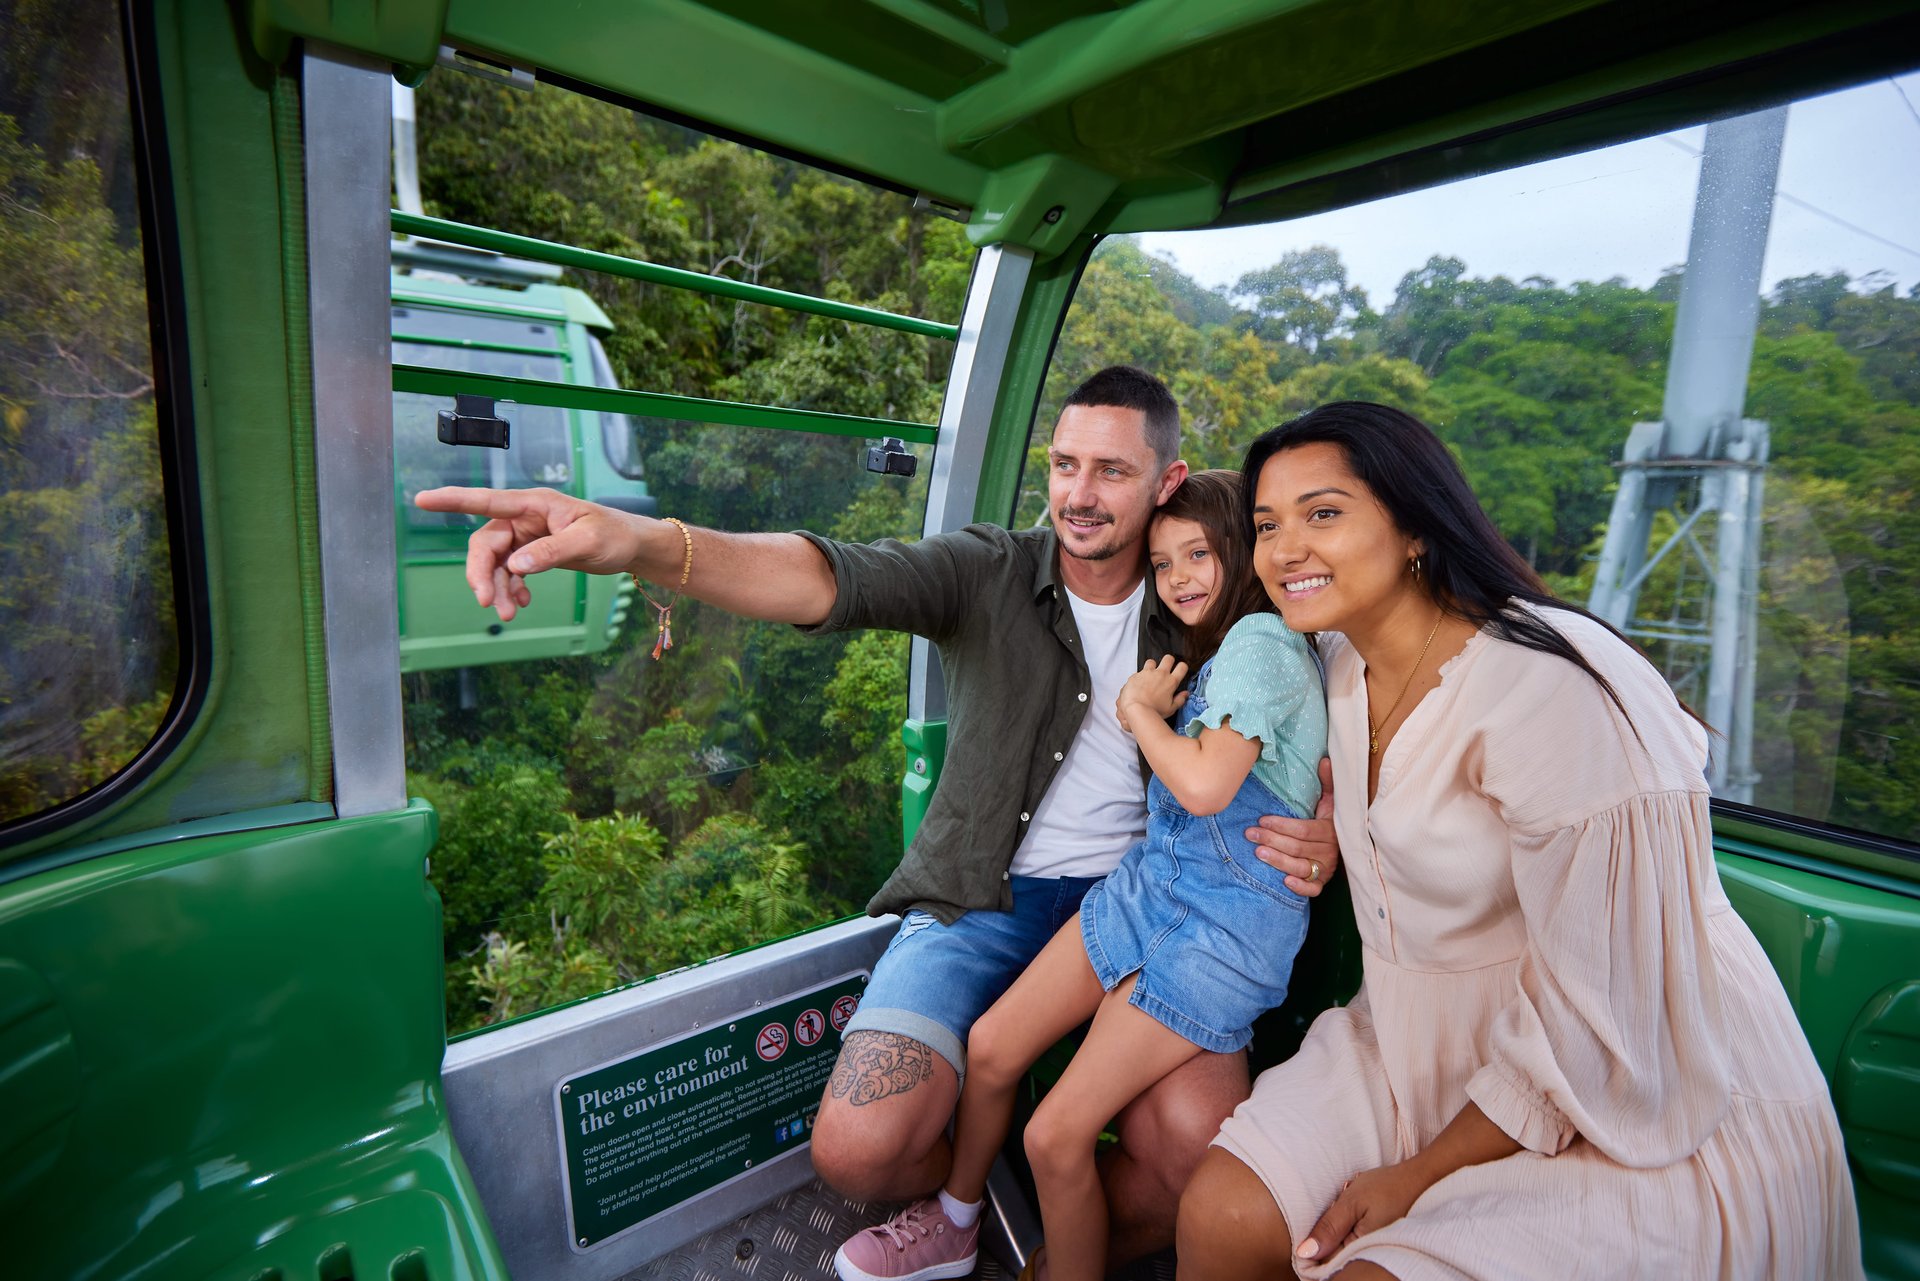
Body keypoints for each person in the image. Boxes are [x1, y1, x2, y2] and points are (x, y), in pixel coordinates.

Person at [413, 366, 1345, 1265]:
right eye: (1064, 464)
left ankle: (1058, 1247)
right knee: (856, 1149)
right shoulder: (987, 573)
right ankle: (979, 1201)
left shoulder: (1203, 593)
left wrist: (1330, 824)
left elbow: (1329, 688)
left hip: (1146, 903)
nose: (1080, 493)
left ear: (1167, 480)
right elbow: (828, 576)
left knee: (1196, 1157)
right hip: (985, 898)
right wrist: (647, 543)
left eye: (1111, 470)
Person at [1174, 402, 1862, 1281]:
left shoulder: (1551, 687)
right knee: (1221, 1213)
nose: (1284, 549)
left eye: (1324, 513)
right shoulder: (1341, 664)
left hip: (1618, 1066)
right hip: (1416, 1036)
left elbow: (1601, 1008)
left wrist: (1416, 1177)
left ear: (1415, 522)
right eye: (1268, 525)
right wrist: (1343, 835)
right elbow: (1391, 792)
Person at [835, 470, 1328, 1281]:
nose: (1181, 579)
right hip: (1151, 887)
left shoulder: (1261, 642)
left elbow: (1205, 784)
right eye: (1164, 564)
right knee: (992, 1047)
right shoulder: (1222, 653)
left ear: (1241, 551)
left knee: (1053, 1134)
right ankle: (959, 1221)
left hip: (1211, 929)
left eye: (1200, 554)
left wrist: (1137, 711)